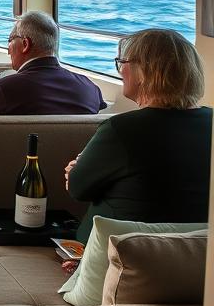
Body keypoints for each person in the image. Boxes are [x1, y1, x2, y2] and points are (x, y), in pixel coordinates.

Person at [65, 28, 211, 244]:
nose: (119, 70)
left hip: (121, 257)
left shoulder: (121, 130)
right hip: (195, 258)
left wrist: (76, 170)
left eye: (122, 62)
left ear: (144, 71)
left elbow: (77, 188)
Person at [0, 11, 106, 115]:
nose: (8, 51)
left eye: (9, 40)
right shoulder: (90, 88)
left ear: (25, 44)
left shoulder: (4, 90)